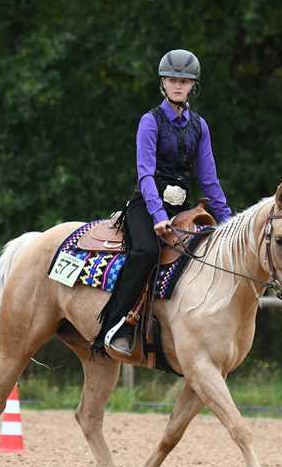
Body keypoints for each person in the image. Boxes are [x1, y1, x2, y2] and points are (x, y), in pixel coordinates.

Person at [94, 49, 233, 356]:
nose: (178, 85)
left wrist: (228, 221)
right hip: (147, 204)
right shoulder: (150, 121)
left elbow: (209, 179)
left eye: (184, 81)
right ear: (163, 84)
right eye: (172, 80)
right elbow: (144, 173)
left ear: (193, 85)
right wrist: (157, 214)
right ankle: (116, 326)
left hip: (182, 209)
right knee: (146, 251)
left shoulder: (200, 126)